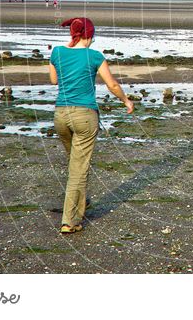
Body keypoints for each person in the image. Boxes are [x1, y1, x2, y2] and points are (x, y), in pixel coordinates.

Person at [48, 17, 134, 234]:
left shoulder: (57, 52)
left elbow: (53, 81)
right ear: (91, 34)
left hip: (60, 115)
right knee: (78, 169)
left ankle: (81, 201)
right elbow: (112, 84)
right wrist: (126, 101)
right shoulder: (95, 56)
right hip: (85, 116)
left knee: (75, 163)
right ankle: (70, 221)